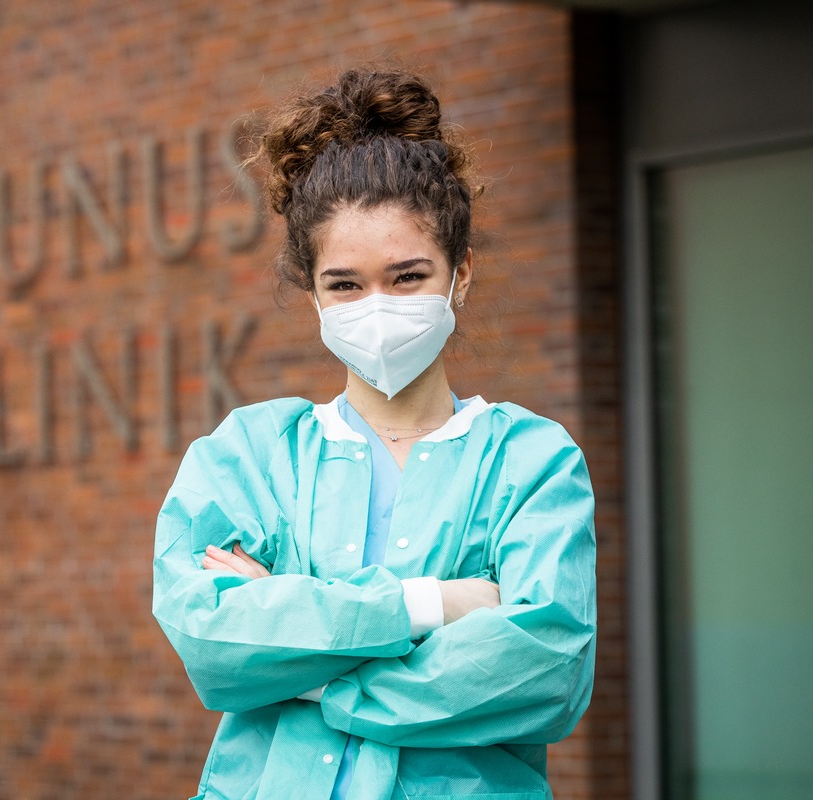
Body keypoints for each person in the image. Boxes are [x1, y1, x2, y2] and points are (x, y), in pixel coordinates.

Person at [152, 68, 596, 800]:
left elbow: (543, 673)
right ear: (314, 291)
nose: (376, 306)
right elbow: (211, 641)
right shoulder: (250, 456)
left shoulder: (533, 462)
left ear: (463, 274)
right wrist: (434, 607)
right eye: (346, 285)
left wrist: (308, 673)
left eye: (408, 276)